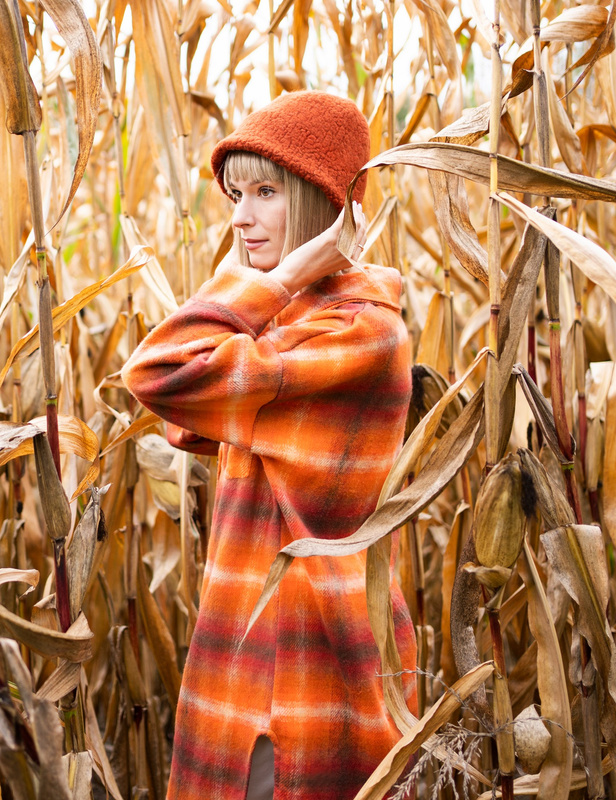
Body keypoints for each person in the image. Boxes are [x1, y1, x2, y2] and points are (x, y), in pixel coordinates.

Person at [122, 91, 417, 800]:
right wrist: (274, 289)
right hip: (244, 653)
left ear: (326, 208)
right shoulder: (282, 322)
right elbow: (183, 411)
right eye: (235, 195)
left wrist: (276, 280)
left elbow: (158, 373)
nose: (240, 218)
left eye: (265, 193)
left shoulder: (360, 333)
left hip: (305, 663)